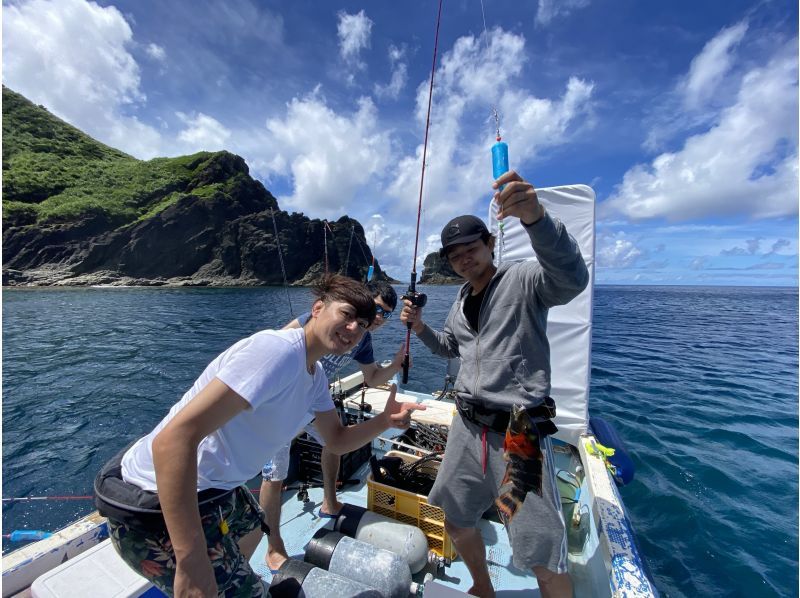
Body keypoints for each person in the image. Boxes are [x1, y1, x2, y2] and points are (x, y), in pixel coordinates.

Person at [95, 275, 424, 597]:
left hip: (217, 489)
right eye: (347, 315)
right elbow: (173, 439)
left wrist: (384, 421)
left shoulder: (315, 375)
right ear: (318, 308)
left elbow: (336, 439)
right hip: (154, 503)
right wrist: (191, 559)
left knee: (255, 526)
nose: (354, 329)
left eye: (363, 324)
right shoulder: (277, 352)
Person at [400, 171, 588, 598]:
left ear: (489, 244)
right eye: (455, 255)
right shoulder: (461, 299)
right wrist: (421, 327)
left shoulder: (523, 280)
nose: (464, 259)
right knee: (455, 519)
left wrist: (536, 218)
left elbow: (571, 279)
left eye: (471, 248)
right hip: (466, 431)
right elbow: (450, 348)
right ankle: (482, 588)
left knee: (541, 548)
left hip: (516, 436)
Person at [259, 280, 406, 573]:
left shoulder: (362, 338)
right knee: (275, 476)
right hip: (283, 402)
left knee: (334, 443)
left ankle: (329, 502)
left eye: (385, 314)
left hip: (315, 399)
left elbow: (374, 378)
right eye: (376, 308)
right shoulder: (322, 319)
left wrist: (398, 363)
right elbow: (278, 345)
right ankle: (274, 546)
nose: (378, 318)